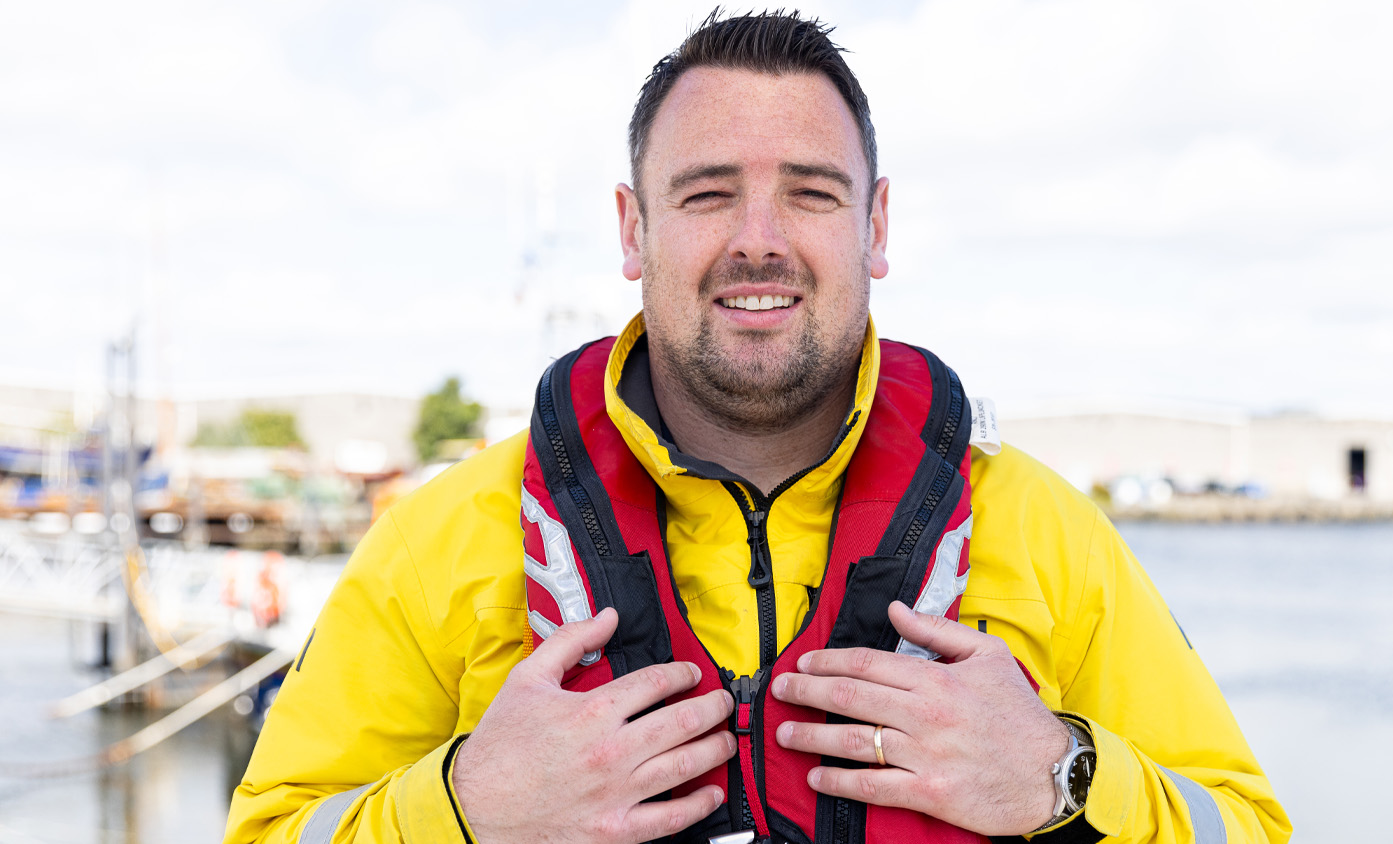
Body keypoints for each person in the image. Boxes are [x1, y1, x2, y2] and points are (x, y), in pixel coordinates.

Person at [224, 10, 1290, 844]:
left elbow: (1245, 823)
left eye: (813, 194)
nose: (760, 241)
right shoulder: (442, 543)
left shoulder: (1045, 533)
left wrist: (1065, 774)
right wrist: (463, 808)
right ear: (633, 230)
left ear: (876, 227)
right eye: (707, 195)